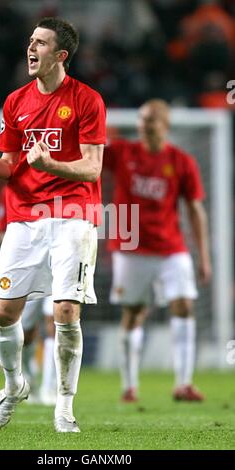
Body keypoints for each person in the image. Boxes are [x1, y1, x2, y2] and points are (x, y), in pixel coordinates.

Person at [0, 17, 106, 432]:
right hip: (24, 218)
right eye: (31, 41)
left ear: (60, 55)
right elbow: (10, 166)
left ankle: (64, 406)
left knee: (65, 310)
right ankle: (14, 387)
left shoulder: (87, 100)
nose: (31, 48)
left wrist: (50, 163)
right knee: (5, 312)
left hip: (72, 214)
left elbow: (93, 168)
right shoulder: (15, 102)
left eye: (41, 43)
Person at [104, 99, 211, 402]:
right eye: (140, 119)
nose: (143, 124)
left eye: (150, 119)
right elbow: (91, 154)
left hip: (170, 247)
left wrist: (204, 256)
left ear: (164, 124)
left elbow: (195, 210)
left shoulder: (181, 161)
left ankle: (184, 383)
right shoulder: (123, 152)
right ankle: (129, 386)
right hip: (131, 245)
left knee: (185, 306)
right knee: (134, 313)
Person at [0, 187, 56, 405]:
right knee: (27, 333)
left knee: (54, 323)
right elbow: (2, 230)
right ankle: (29, 380)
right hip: (27, 267)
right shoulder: (12, 188)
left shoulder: (62, 183)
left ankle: (51, 388)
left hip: (56, 265)